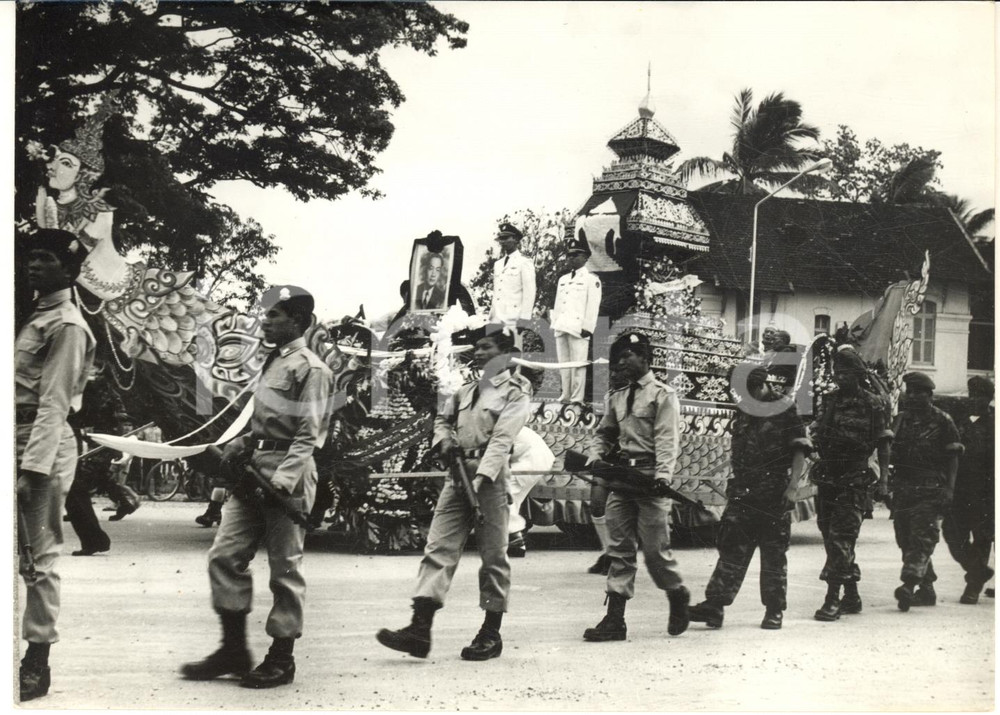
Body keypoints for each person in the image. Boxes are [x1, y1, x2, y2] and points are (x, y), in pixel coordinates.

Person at [181, 285, 332, 689]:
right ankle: (233, 649)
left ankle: (281, 657)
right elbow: (262, 421)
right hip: (252, 471)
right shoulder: (273, 363)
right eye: (265, 314)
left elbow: (309, 435)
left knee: (284, 567)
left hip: (289, 474)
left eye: (274, 315)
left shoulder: (311, 369)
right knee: (224, 555)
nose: (264, 320)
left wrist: (282, 482)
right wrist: (241, 442)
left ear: (299, 321)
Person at [377, 329, 532, 661]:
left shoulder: (516, 393)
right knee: (438, 547)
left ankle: (490, 633)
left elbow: (502, 440)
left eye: (485, 347)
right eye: (476, 348)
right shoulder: (465, 391)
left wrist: (480, 481)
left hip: (489, 479)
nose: (477, 353)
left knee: (493, 556)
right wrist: (443, 440)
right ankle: (420, 628)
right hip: (457, 473)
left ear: (504, 354)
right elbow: (442, 421)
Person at [15, 228, 97, 701]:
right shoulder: (32, 315)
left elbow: (55, 403)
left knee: (38, 559)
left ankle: (37, 661)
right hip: (14, 432)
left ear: (69, 270)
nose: (33, 265)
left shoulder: (66, 324)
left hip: (37, 441)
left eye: (45, 259)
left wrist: (33, 470)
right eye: (31, 257)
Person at [582, 331, 690, 642]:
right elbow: (604, 433)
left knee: (655, 552)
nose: (622, 362)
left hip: (650, 478)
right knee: (619, 550)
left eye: (628, 356)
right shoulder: (616, 396)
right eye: (619, 358)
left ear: (645, 358)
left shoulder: (662, 395)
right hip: (622, 478)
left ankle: (676, 594)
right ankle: (615, 619)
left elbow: (668, 440)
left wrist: (663, 477)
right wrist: (595, 457)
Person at [689, 364, 811, 630]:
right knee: (732, 548)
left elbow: (799, 450)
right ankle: (715, 607)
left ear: (760, 386)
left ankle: (774, 610)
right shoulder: (744, 408)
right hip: (743, 491)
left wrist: (792, 488)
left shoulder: (784, 407)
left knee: (773, 554)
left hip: (773, 492)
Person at [809, 347, 891, 621]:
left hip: (855, 478)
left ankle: (832, 600)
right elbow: (818, 432)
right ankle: (852, 595)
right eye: (837, 373)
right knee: (830, 538)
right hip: (828, 476)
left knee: (840, 538)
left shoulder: (873, 403)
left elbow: (883, 442)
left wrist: (884, 483)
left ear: (857, 374)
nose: (840, 378)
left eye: (845, 373)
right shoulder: (829, 400)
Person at [889, 372, 964, 611]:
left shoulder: (943, 420)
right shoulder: (900, 420)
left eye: (918, 392)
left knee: (921, 539)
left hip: (931, 488)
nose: (912, 396)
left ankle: (908, 587)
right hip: (903, 488)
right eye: (909, 391)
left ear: (929, 394)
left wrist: (950, 489)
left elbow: (953, 457)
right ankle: (927, 589)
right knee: (906, 539)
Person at [943, 376, 995, 604]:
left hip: (986, 492)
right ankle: (979, 571)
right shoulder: (959, 421)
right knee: (952, 534)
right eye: (971, 394)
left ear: (989, 398)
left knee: (982, 538)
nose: (974, 399)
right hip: (959, 489)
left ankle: (973, 587)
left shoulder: (995, 423)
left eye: (979, 395)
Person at [551, 235, 602, 404]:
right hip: (562, 325)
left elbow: (593, 305)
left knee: (578, 364)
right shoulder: (563, 280)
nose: (571, 258)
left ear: (586, 257)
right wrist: (555, 323)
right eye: (569, 255)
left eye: (576, 255)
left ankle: (576, 397)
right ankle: (565, 394)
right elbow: (558, 304)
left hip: (579, 327)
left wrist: (588, 326)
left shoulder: (591, 280)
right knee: (563, 363)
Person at [506, 425, 556, 558]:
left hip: (531, 460)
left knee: (505, 494)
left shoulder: (492, 428)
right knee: (511, 498)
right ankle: (514, 538)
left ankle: (516, 540)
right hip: (535, 457)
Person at [489, 223, 536, 345]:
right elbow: (497, 292)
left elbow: (529, 292)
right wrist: (491, 315)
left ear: (515, 239)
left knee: (512, 356)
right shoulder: (498, 264)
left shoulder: (524, 262)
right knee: (495, 357)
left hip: (513, 318)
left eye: (506, 238)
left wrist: (524, 318)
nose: (502, 242)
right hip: (496, 318)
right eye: (501, 239)